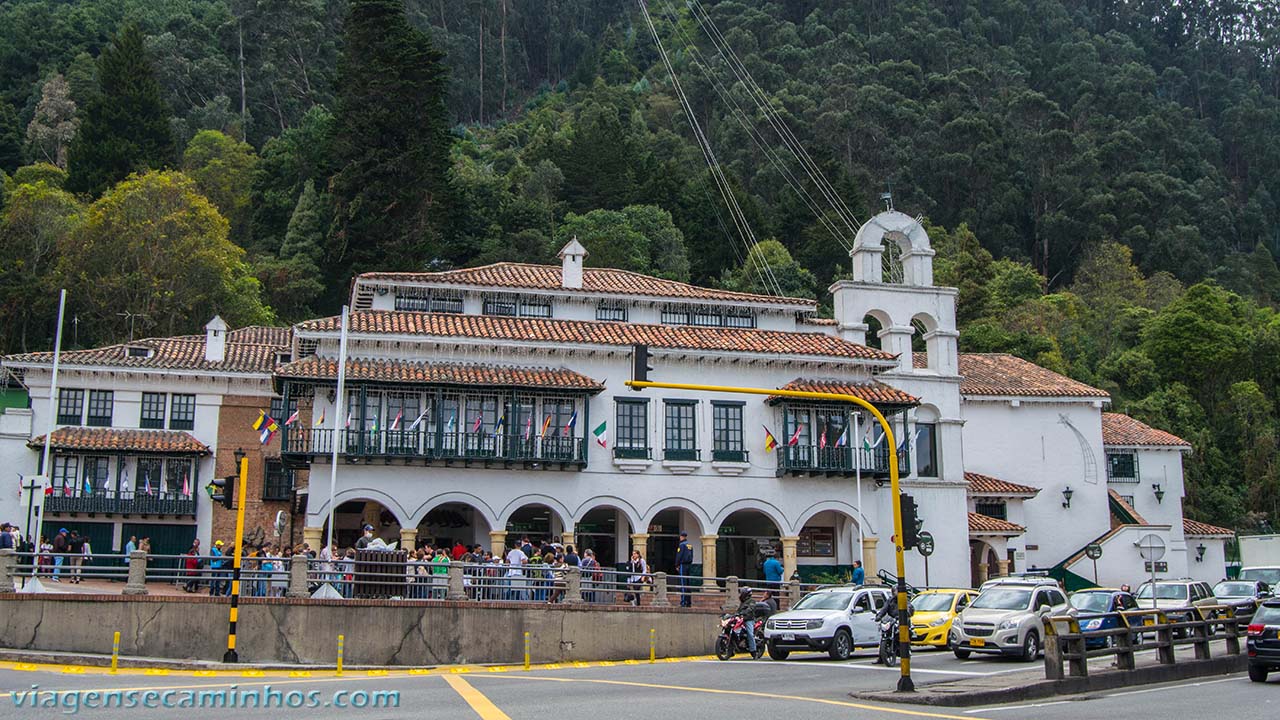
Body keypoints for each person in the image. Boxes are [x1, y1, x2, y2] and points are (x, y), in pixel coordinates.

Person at [735, 588, 760, 656]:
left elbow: (751, 608)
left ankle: (753, 651)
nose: (741, 594)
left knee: (750, 634)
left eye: (742, 593)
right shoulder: (742, 602)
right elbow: (738, 610)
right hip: (741, 619)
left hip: (749, 619)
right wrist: (735, 614)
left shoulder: (752, 601)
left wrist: (744, 613)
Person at [675, 531, 694, 608]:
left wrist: (677, 564)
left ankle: (683, 602)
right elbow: (692, 555)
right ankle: (688, 601)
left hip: (683, 564)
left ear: (681, 537)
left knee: (683, 583)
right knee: (688, 584)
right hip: (689, 565)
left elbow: (679, 555)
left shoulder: (682, 545)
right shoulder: (690, 545)